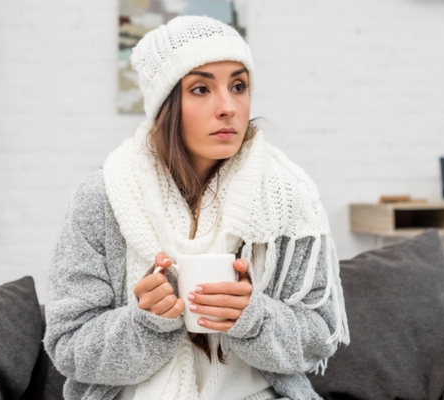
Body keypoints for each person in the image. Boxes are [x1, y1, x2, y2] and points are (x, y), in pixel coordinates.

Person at [45, 15, 349, 400]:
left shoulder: (288, 196)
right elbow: (69, 348)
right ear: (166, 104)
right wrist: (147, 323)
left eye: (238, 86)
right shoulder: (103, 196)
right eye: (201, 89)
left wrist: (252, 318)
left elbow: (319, 337)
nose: (228, 107)